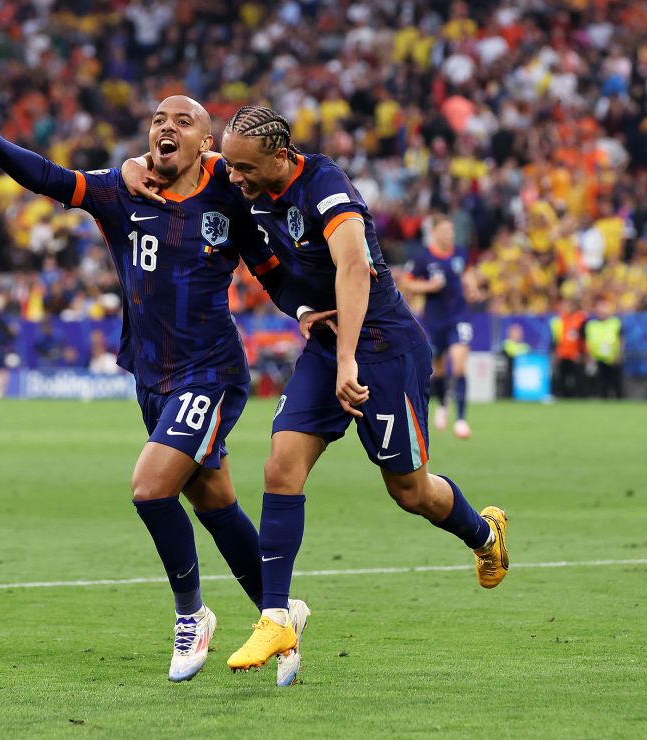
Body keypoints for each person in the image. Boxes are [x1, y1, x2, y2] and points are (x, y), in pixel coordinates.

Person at [122, 105, 509, 676]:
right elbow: (176, 159)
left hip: (382, 348)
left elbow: (354, 269)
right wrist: (135, 163)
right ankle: (275, 615)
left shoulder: (326, 185)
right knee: (281, 467)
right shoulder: (241, 175)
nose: (235, 178)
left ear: (279, 156)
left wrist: (349, 358)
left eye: (244, 169)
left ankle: (484, 532)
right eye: (228, 167)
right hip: (330, 347)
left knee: (410, 490)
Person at [0, 88, 311, 685]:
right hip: (151, 374)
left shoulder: (229, 191)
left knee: (149, 489)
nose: (166, 127)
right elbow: (51, 179)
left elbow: (271, 263)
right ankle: (278, 614)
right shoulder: (122, 190)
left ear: (207, 142)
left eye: (183, 121)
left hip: (211, 372)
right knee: (214, 502)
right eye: (158, 120)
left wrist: (303, 310)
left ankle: (193, 614)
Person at [401, 217, 477, 438]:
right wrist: (428, 286)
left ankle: (461, 420)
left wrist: (471, 287)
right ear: (434, 233)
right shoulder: (424, 258)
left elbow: (468, 275)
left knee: (460, 364)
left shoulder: (461, 254)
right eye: (444, 231)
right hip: (435, 321)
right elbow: (407, 283)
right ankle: (443, 405)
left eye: (451, 231)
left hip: (459, 317)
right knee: (440, 368)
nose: (449, 235)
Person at [584, 296, 623, 399]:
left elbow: (620, 339)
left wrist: (618, 354)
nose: (601, 311)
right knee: (600, 385)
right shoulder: (591, 325)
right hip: (597, 359)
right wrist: (589, 356)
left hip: (611, 359)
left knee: (615, 384)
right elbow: (588, 341)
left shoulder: (615, 322)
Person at [549, 298, 587, 398]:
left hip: (575, 354)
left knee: (578, 377)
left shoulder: (579, 319)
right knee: (561, 377)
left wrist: (582, 352)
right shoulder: (559, 320)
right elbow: (556, 338)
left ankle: (580, 396)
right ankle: (561, 396)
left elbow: (583, 338)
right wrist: (556, 353)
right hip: (562, 353)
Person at [501, 323, 530, 399]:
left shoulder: (525, 346)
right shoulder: (506, 344)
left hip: (524, 372)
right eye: (515, 333)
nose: (517, 335)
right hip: (510, 370)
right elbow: (509, 353)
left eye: (519, 333)